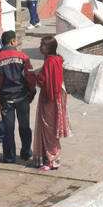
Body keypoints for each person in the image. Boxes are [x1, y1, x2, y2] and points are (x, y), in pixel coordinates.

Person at [0, 32, 35, 163]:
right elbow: (30, 77)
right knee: (24, 127)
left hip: (6, 99)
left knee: (8, 129)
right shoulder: (23, 57)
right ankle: (26, 152)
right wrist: (31, 93)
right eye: (16, 40)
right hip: (22, 97)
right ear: (12, 42)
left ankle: (9, 156)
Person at [31, 36, 69, 171]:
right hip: (54, 98)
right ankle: (50, 157)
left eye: (43, 45)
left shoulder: (50, 62)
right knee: (50, 128)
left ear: (49, 48)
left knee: (49, 129)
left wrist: (35, 76)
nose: (41, 47)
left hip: (50, 99)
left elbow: (45, 81)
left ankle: (52, 159)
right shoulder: (55, 60)